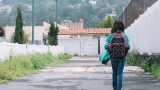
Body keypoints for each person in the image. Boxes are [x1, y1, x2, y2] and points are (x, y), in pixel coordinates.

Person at [104, 20, 130, 90]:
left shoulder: (110, 36)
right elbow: (128, 46)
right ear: (122, 27)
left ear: (114, 26)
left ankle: (114, 88)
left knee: (114, 73)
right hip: (122, 57)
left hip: (113, 57)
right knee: (119, 73)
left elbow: (105, 46)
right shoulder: (124, 36)